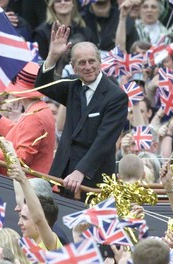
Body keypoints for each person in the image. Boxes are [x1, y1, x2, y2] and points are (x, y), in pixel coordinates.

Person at [35, 23, 128, 198]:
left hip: (93, 178)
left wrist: (81, 171)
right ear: (74, 67)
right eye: (81, 63)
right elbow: (43, 86)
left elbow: (104, 141)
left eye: (92, 61)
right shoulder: (73, 85)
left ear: (100, 62)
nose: (88, 67)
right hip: (62, 172)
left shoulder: (116, 96)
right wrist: (53, 56)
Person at [0, 62, 56, 176]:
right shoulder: (39, 108)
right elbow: (19, 131)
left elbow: (21, 159)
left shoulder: (35, 115)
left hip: (29, 186)